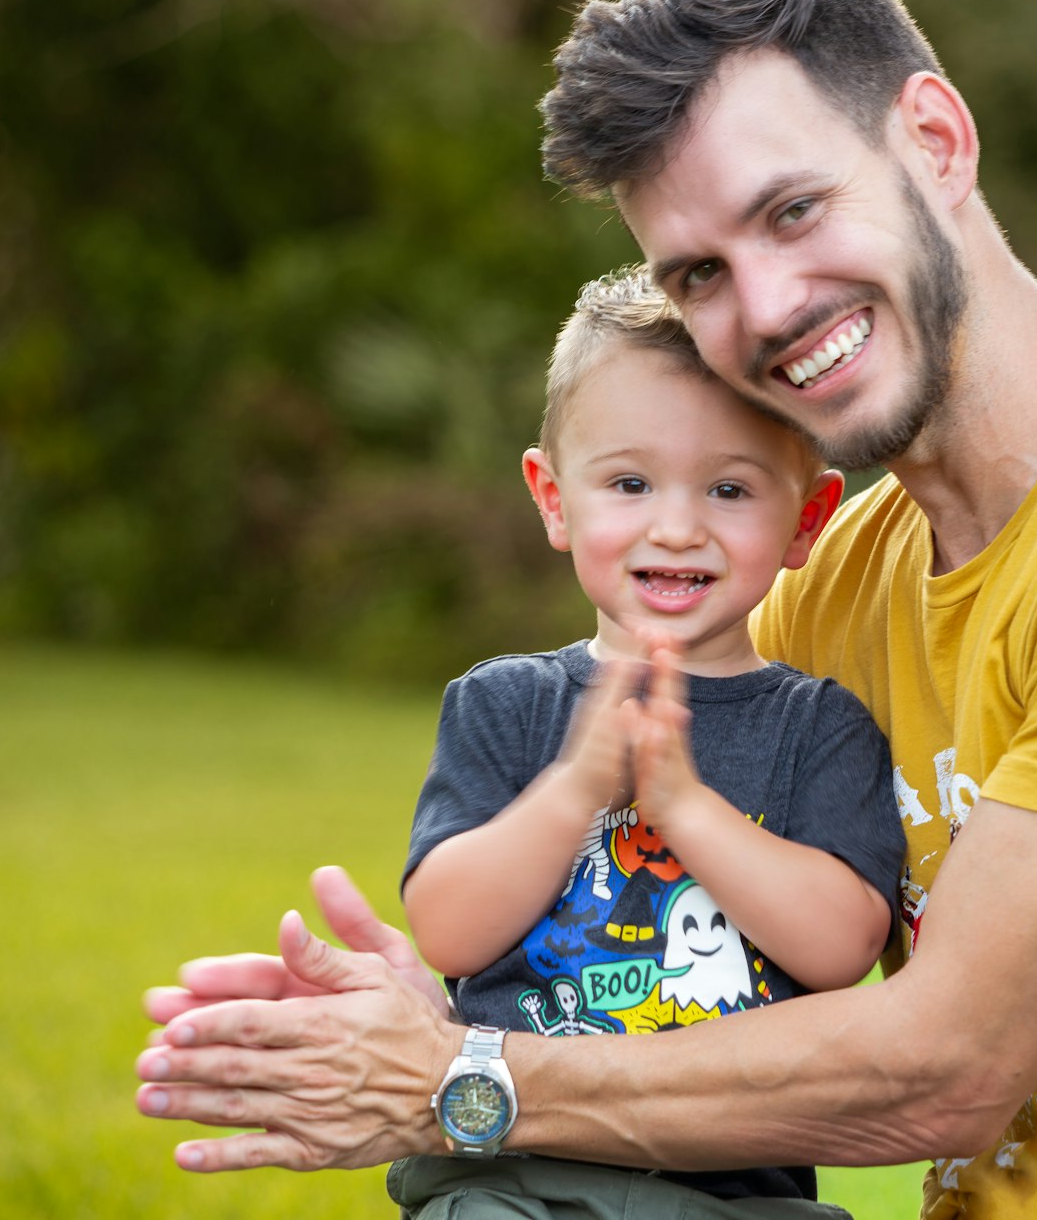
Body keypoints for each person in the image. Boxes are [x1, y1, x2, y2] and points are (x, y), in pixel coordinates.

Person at [137, 0, 1037, 1214]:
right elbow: (685, 954)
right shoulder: (834, 586)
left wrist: (462, 1086)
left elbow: (941, 1071)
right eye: (700, 272)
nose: (762, 308)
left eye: (795, 209)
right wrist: (476, 1012)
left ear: (934, 141)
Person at [386, 267, 903, 1215]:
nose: (677, 525)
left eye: (729, 489)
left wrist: (682, 806)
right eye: (629, 481)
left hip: (742, 1187)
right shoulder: (507, 706)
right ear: (553, 498)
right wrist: (581, 785)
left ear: (808, 519)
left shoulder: (819, 727)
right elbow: (449, 930)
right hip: (516, 1175)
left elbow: (843, 949)